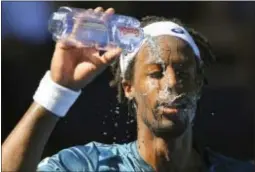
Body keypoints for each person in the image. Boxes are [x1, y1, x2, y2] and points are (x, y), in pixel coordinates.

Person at [2, 7, 254, 172]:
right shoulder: (88, 165)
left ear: (198, 85)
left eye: (183, 72)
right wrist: (58, 89)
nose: (171, 83)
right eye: (156, 72)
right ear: (129, 87)